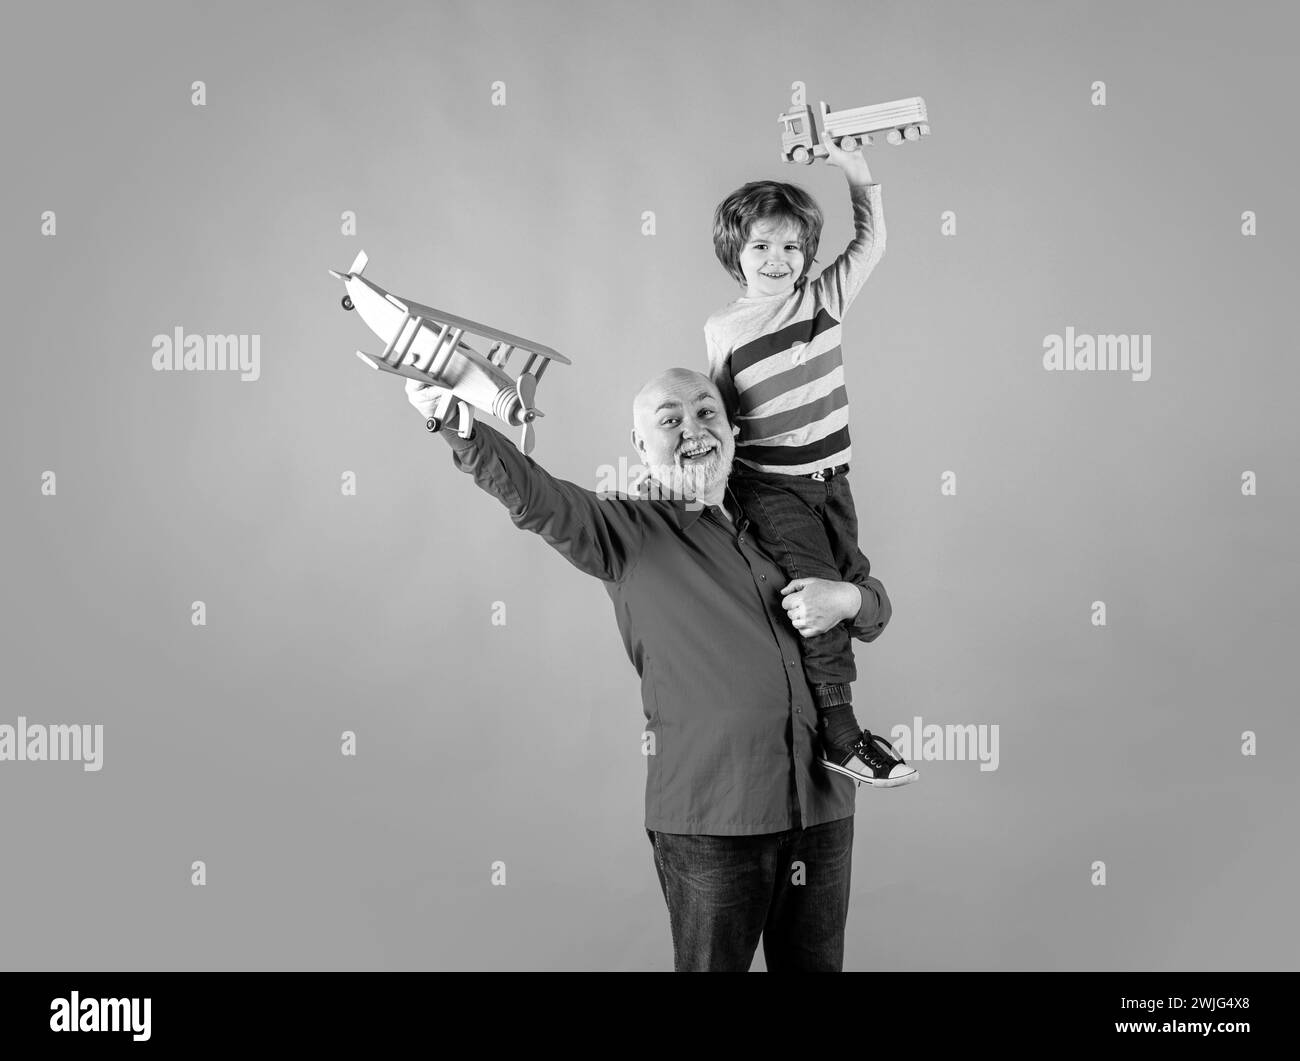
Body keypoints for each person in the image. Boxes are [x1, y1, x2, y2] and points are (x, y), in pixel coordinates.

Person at [406, 367, 898, 971]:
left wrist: (848, 600)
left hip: (822, 806)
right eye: (669, 420)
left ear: (734, 430)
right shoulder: (626, 534)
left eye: (705, 413)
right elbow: (538, 499)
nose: (692, 430)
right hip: (713, 821)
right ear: (641, 447)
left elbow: (871, 607)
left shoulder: (790, 516)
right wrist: (460, 429)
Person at [705, 121, 915, 787]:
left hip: (833, 480)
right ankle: (843, 735)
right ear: (736, 253)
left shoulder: (822, 299)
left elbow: (872, 242)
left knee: (854, 589)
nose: (777, 258)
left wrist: (853, 163)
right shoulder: (726, 329)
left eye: (792, 246)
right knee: (818, 596)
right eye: (761, 245)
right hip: (771, 486)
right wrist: (705, 474)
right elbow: (718, 412)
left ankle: (836, 717)